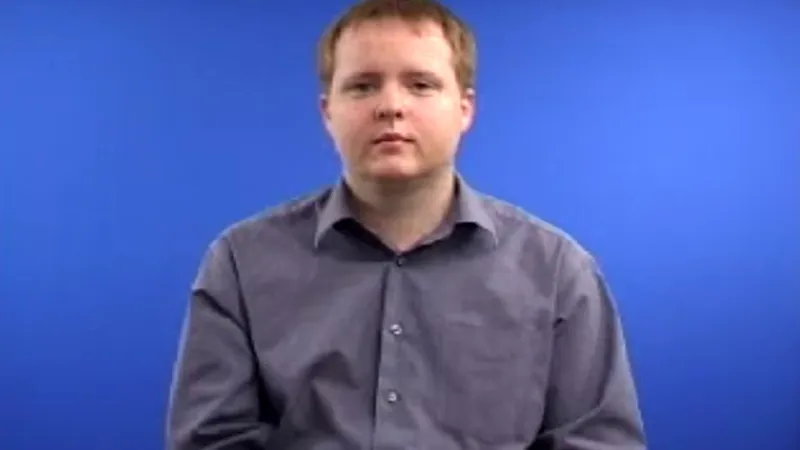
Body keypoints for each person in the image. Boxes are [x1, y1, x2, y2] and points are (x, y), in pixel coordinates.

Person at [165, 0, 648, 448]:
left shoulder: (559, 272)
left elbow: (598, 442)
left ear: (465, 109)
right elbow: (212, 441)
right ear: (327, 113)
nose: (391, 106)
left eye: (421, 84)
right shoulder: (241, 263)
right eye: (362, 85)